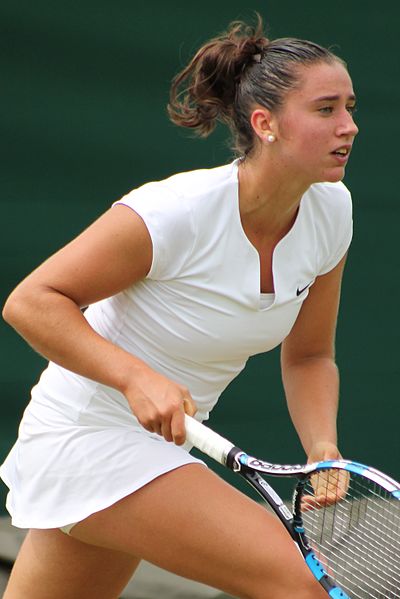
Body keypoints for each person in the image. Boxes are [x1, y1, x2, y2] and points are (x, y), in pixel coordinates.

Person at [0, 14, 358, 599]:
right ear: (265, 124)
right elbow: (31, 302)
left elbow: (311, 354)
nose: (348, 126)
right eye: (326, 110)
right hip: (88, 437)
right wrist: (137, 379)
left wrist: (322, 446)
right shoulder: (175, 212)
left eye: (350, 106)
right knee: (307, 585)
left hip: (162, 444)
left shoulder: (331, 213)